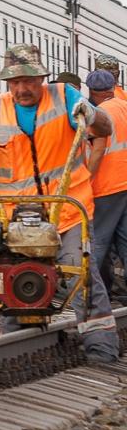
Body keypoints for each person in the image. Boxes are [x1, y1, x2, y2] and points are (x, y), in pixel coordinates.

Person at [0, 44, 118, 363]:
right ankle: (15, 351)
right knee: (13, 281)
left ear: (42, 78)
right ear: (7, 82)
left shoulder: (65, 97)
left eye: (29, 80)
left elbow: (105, 128)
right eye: (15, 81)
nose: (22, 88)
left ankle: (101, 349)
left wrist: (92, 114)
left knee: (79, 275)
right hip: (15, 218)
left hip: (68, 211)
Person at [83, 69, 127, 299]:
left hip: (107, 185)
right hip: (125, 182)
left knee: (97, 240)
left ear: (92, 91)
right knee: (125, 240)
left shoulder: (98, 113)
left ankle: (89, 292)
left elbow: (98, 149)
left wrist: (86, 179)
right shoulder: (124, 105)